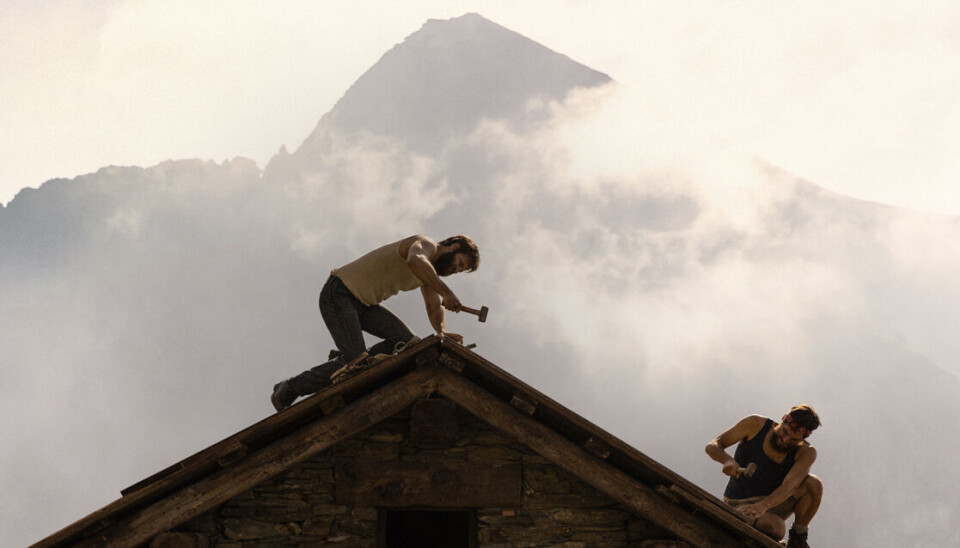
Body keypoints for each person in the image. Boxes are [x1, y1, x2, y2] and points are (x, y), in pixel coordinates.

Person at [271, 235, 480, 411]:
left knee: (407, 343)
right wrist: (448, 292)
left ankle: (349, 357)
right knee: (355, 363)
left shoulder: (428, 275)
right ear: (454, 246)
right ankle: (292, 387)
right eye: (459, 263)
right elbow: (414, 259)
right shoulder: (426, 245)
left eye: (460, 270)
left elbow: (435, 307)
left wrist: (442, 333)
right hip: (339, 293)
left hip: (363, 305)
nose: (455, 270)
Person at [705, 405, 822, 548]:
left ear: (803, 438)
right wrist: (727, 460)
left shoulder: (806, 452)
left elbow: (790, 485)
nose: (785, 440)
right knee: (775, 528)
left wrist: (763, 506)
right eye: (784, 431)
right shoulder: (755, 425)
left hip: (772, 502)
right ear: (784, 419)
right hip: (740, 502)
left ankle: (798, 538)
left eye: (793, 439)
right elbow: (713, 446)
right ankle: (739, 515)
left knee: (814, 484)